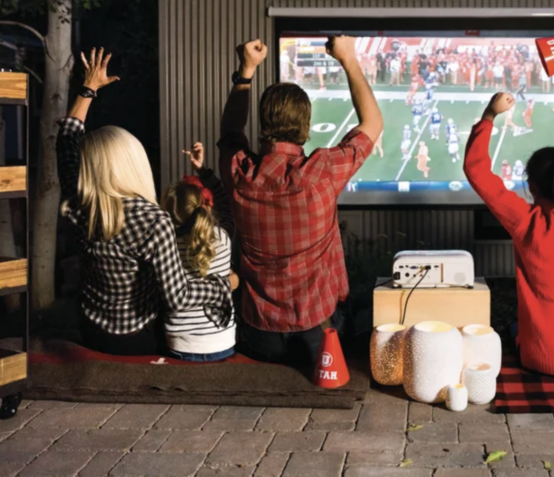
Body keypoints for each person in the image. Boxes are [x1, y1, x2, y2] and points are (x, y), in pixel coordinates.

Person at [218, 37, 382, 370]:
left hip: (258, 336)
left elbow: (231, 130)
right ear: (306, 126)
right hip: (317, 334)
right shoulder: (321, 171)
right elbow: (373, 125)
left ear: (264, 126)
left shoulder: (240, 173)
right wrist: (348, 58)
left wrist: (246, 71)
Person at [58, 49, 235, 356]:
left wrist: (88, 90)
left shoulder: (79, 201)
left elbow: (66, 141)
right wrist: (225, 285)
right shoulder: (153, 220)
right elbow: (177, 297)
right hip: (137, 337)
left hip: (90, 329)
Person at [464, 93, 554, 376]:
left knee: (511, 329)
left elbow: (476, 170)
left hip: (542, 360)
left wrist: (488, 115)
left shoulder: (526, 220)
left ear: (531, 185)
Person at [160, 142, 237, 362]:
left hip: (178, 342)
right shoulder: (223, 237)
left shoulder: (166, 244)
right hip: (222, 341)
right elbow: (226, 201)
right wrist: (202, 170)